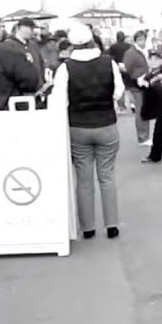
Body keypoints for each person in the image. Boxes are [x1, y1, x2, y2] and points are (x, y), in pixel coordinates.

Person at [49, 22, 124, 240]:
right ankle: (111, 225)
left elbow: (60, 99)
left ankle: (88, 228)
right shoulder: (108, 62)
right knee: (107, 176)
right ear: (92, 40)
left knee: (83, 179)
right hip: (107, 125)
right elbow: (118, 92)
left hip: (78, 127)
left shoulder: (66, 68)